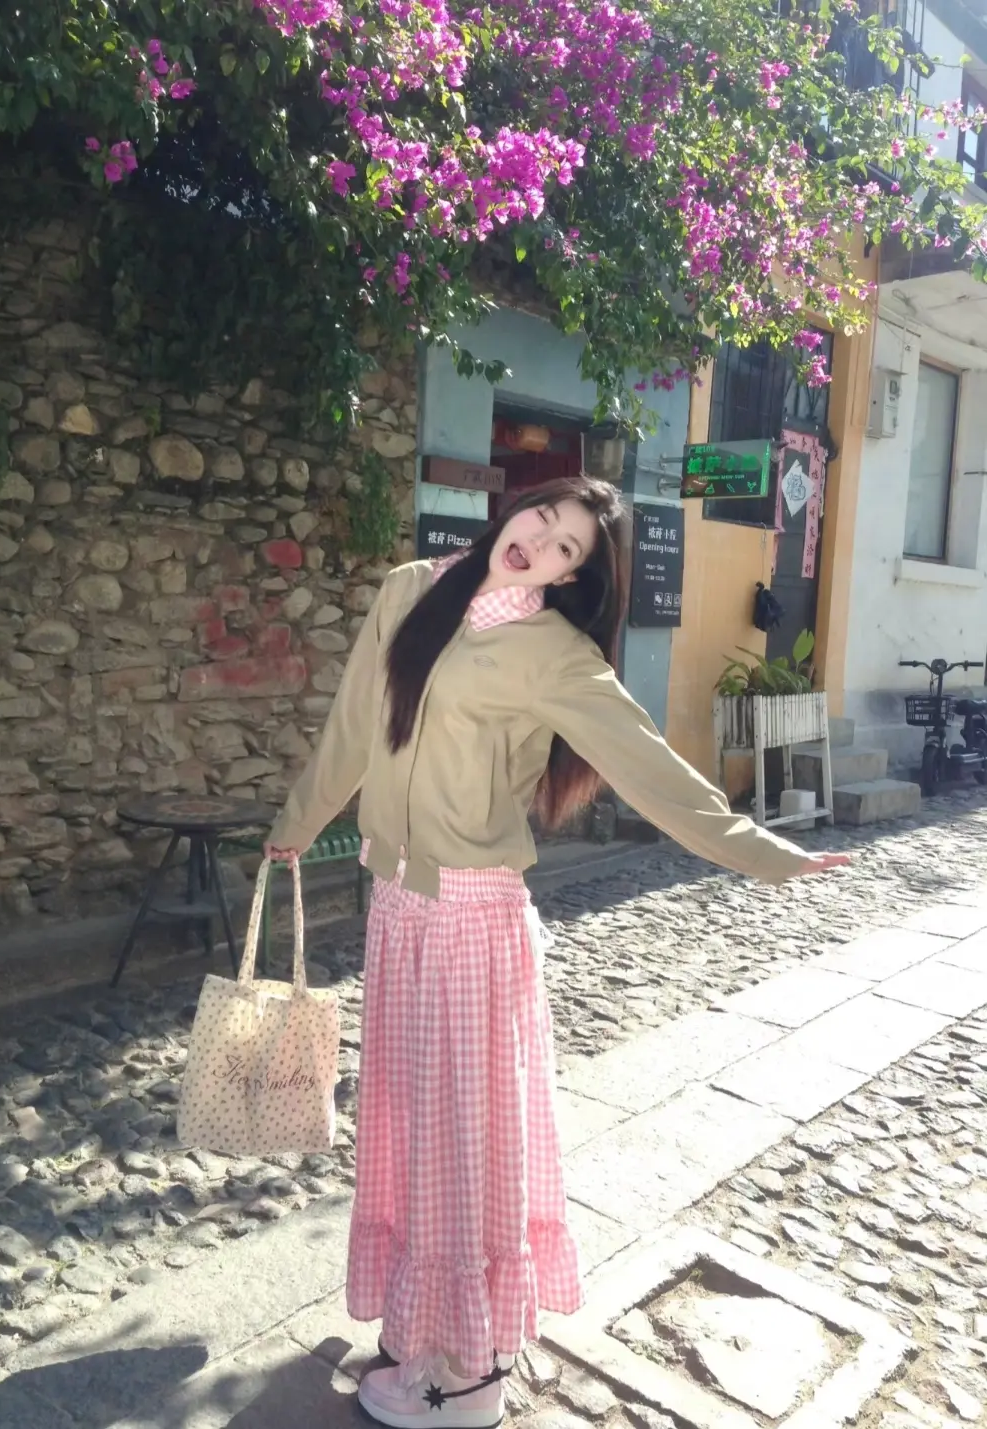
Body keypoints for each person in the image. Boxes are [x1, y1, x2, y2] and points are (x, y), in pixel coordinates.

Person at [265, 475, 849, 1429]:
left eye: (569, 549)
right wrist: (298, 822)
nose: (542, 543)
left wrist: (763, 852)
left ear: (575, 578)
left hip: (471, 917)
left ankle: (470, 1374)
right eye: (544, 518)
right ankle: (421, 1331)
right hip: (397, 906)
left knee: (464, 1140)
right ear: (516, 507)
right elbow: (355, 728)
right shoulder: (413, 589)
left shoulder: (555, 654)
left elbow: (652, 768)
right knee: (411, 1130)